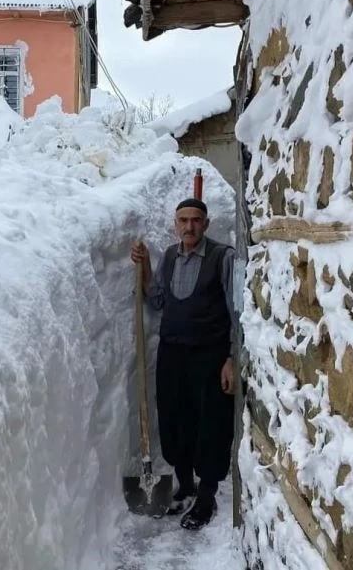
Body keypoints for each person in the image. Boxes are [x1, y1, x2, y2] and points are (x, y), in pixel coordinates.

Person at [130, 197, 236, 530]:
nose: (188, 226)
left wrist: (232, 358)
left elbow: (238, 309)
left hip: (209, 355)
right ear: (176, 224)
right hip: (172, 354)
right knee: (175, 419)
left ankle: (207, 494)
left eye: (195, 220)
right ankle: (185, 484)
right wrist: (145, 266)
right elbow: (158, 299)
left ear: (206, 224)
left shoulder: (224, 257)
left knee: (210, 424)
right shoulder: (170, 256)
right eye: (183, 220)